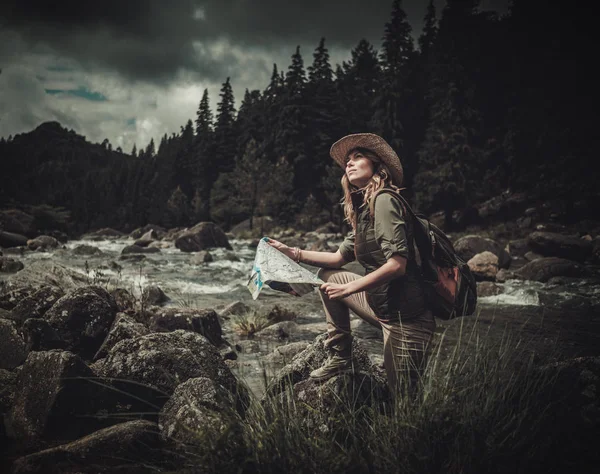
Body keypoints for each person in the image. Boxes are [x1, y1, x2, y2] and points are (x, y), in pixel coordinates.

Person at [267, 133, 436, 393]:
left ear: (377, 167)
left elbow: (397, 265)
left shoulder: (384, 200)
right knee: (327, 275)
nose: (349, 163)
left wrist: (349, 290)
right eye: (347, 160)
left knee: (403, 402)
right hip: (381, 308)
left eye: (358, 158)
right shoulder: (365, 209)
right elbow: (337, 258)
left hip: (408, 322)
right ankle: (341, 356)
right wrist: (293, 252)